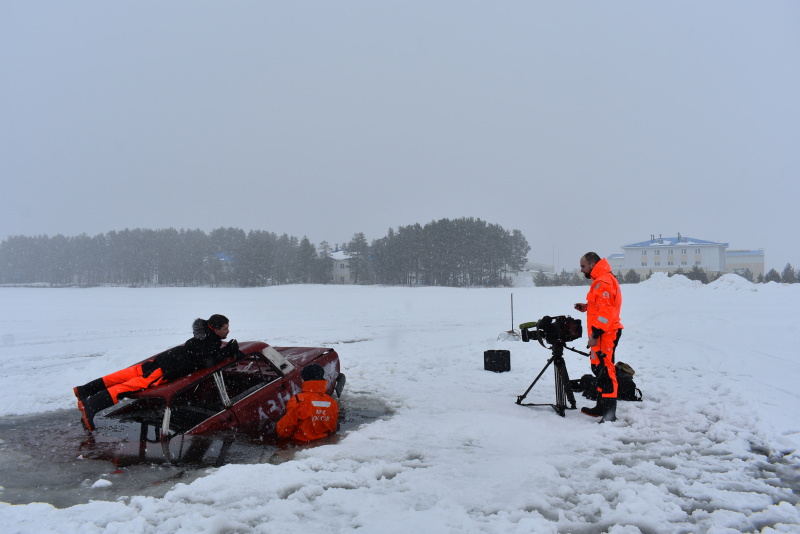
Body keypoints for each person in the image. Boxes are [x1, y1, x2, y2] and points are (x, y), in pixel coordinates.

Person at [73, 314, 241, 431]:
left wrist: (226, 350)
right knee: (127, 387)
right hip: (165, 369)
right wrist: (229, 351)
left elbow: (205, 354)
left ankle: (84, 391)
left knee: (118, 377)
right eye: (226, 328)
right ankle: (91, 406)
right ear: (216, 329)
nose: (228, 331)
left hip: (162, 360)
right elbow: (207, 361)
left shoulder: (203, 335)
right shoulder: (208, 343)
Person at [573, 252, 623, 422]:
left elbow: (606, 313)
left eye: (583, 266)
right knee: (599, 370)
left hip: (605, 334)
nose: (581, 270)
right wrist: (587, 307)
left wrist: (595, 334)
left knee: (607, 372)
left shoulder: (603, 281)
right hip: (602, 333)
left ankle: (609, 415)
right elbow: (601, 305)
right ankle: (601, 407)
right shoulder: (600, 280)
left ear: (593, 264)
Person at [276, 363, 338, 443]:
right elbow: (332, 427)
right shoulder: (332, 402)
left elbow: (285, 428)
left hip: (300, 446)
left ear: (304, 378)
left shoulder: (298, 400)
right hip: (322, 445)